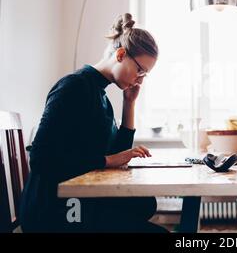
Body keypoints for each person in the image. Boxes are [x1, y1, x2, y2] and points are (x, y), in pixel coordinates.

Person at [20, 13, 167, 233]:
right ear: (120, 54)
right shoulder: (73, 87)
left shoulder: (100, 94)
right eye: (140, 70)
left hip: (76, 200)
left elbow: (118, 153)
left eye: (145, 75)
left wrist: (129, 104)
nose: (140, 80)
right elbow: (41, 159)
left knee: (145, 204)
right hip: (56, 209)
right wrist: (108, 160)